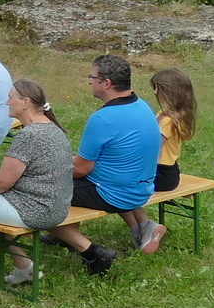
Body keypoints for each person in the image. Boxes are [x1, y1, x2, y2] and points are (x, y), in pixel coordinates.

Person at [45, 54, 163, 270]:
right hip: (142, 188)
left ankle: (78, 244)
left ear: (106, 83)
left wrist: (49, 169)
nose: (90, 81)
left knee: (42, 189)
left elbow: (81, 169)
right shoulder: (143, 106)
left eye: (93, 77)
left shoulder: (103, 119)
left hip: (113, 194)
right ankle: (143, 227)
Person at [0, 78, 73, 287]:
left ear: (26, 102)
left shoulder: (29, 135)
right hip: (57, 208)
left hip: (33, 209)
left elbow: (2, 182)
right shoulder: (53, 129)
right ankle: (24, 266)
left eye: (10, 98)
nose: (6, 103)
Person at [150, 67, 196, 198]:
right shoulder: (172, 116)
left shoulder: (167, 121)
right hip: (171, 172)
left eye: (157, 88)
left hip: (161, 175)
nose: (154, 92)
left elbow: (153, 149)